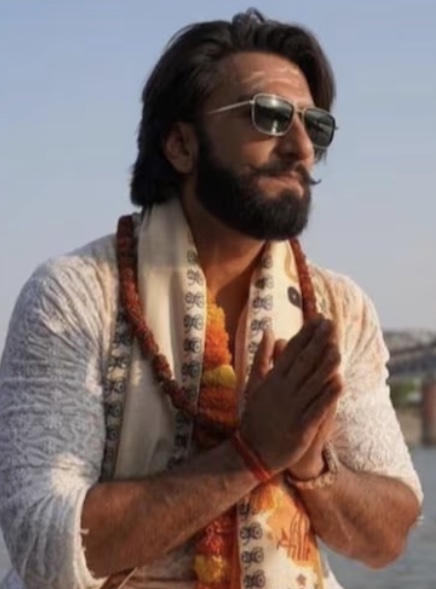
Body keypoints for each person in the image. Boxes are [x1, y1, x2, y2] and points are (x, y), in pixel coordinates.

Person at [0, 9, 422, 589]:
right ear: (181, 144)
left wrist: (312, 466)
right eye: (268, 116)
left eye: (315, 126)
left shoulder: (336, 307)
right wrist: (252, 454)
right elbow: (44, 547)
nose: (301, 147)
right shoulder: (75, 296)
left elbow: (388, 537)